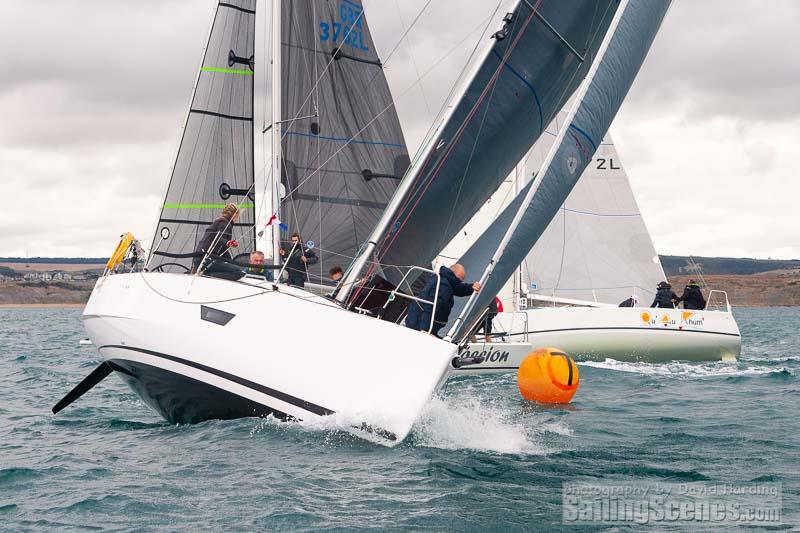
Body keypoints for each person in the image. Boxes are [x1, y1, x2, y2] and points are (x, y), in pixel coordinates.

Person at [405, 263, 481, 337]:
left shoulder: (444, 278)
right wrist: (424, 329)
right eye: (459, 280)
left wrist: (471, 287)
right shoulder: (443, 285)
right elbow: (430, 307)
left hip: (418, 320)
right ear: (454, 276)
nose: (459, 282)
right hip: (418, 325)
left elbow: (458, 288)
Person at [193, 203, 244, 280]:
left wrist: (231, 263)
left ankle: (204, 273)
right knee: (238, 272)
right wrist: (228, 243)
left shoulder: (218, 222)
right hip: (206, 260)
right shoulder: (225, 224)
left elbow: (223, 250)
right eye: (237, 216)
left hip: (199, 259)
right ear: (234, 215)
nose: (237, 219)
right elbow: (218, 239)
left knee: (234, 268)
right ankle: (206, 275)